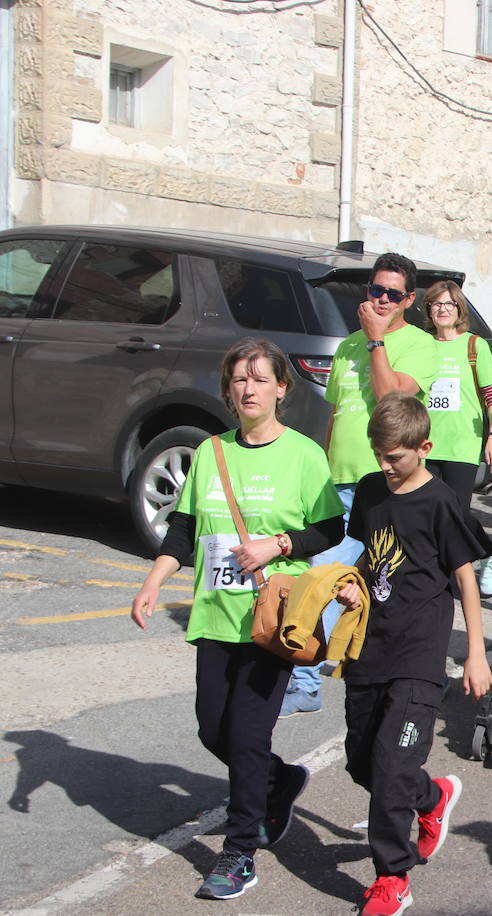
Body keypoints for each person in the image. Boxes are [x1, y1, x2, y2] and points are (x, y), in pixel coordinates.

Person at [130, 340, 345, 901]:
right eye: (238, 380)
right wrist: (155, 579)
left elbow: (330, 529)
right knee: (213, 729)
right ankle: (280, 779)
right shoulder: (210, 453)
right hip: (215, 613)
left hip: (274, 619)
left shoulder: (303, 455)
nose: (247, 389)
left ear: (281, 388)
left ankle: (239, 850)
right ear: (228, 390)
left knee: (247, 735)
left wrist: (278, 544)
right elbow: (184, 525)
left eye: (258, 378)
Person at [333, 394, 491, 916]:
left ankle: (391, 878)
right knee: (363, 763)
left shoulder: (441, 501)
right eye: (379, 454)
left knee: (392, 766)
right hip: (369, 647)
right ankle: (432, 797)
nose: (385, 465)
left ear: (424, 447)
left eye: (395, 457)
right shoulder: (371, 490)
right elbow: (368, 555)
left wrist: (475, 653)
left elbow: (465, 578)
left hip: (420, 652)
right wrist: (351, 586)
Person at [282, 252, 439, 718]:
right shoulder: (348, 344)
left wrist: (376, 342)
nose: (383, 300)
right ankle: (320, 674)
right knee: (335, 578)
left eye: (394, 294)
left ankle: (310, 678)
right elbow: (335, 414)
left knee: (348, 580)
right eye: (377, 291)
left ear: (409, 300)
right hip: (339, 481)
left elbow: (393, 395)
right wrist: (320, 472)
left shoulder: (417, 345)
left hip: (384, 482)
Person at [421, 281, 492, 515]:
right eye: (436, 303)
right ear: (428, 309)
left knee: (455, 515)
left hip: (462, 445)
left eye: (450, 303)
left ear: (459, 309)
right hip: (424, 444)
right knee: (425, 512)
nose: (443, 309)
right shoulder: (421, 344)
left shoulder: (474, 345)